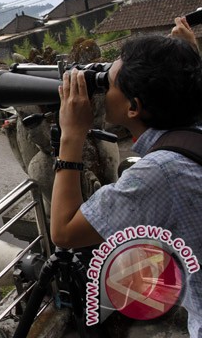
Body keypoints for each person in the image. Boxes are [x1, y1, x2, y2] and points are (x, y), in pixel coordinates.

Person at [50, 29, 202, 335]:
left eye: (109, 83)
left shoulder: (160, 172)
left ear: (133, 107)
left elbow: (63, 231)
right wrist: (185, 61)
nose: (102, 92)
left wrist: (71, 135)